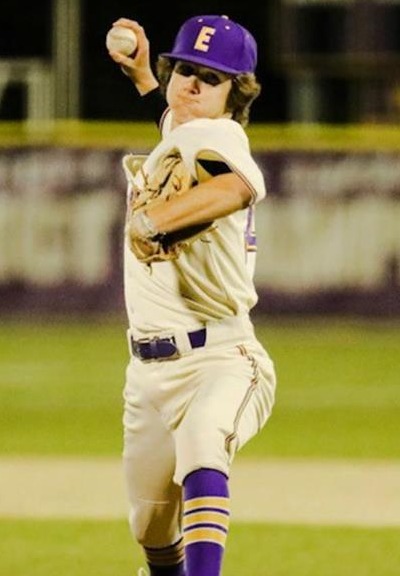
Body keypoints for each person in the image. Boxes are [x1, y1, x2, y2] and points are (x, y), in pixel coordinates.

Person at [108, 14, 277, 576]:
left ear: (236, 94)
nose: (192, 85)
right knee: (152, 529)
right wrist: (142, 78)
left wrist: (156, 220)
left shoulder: (220, 136)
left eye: (211, 78)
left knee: (206, 442)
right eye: (184, 70)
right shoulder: (183, 134)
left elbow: (239, 185)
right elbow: (171, 119)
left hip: (220, 357)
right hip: (148, 373)